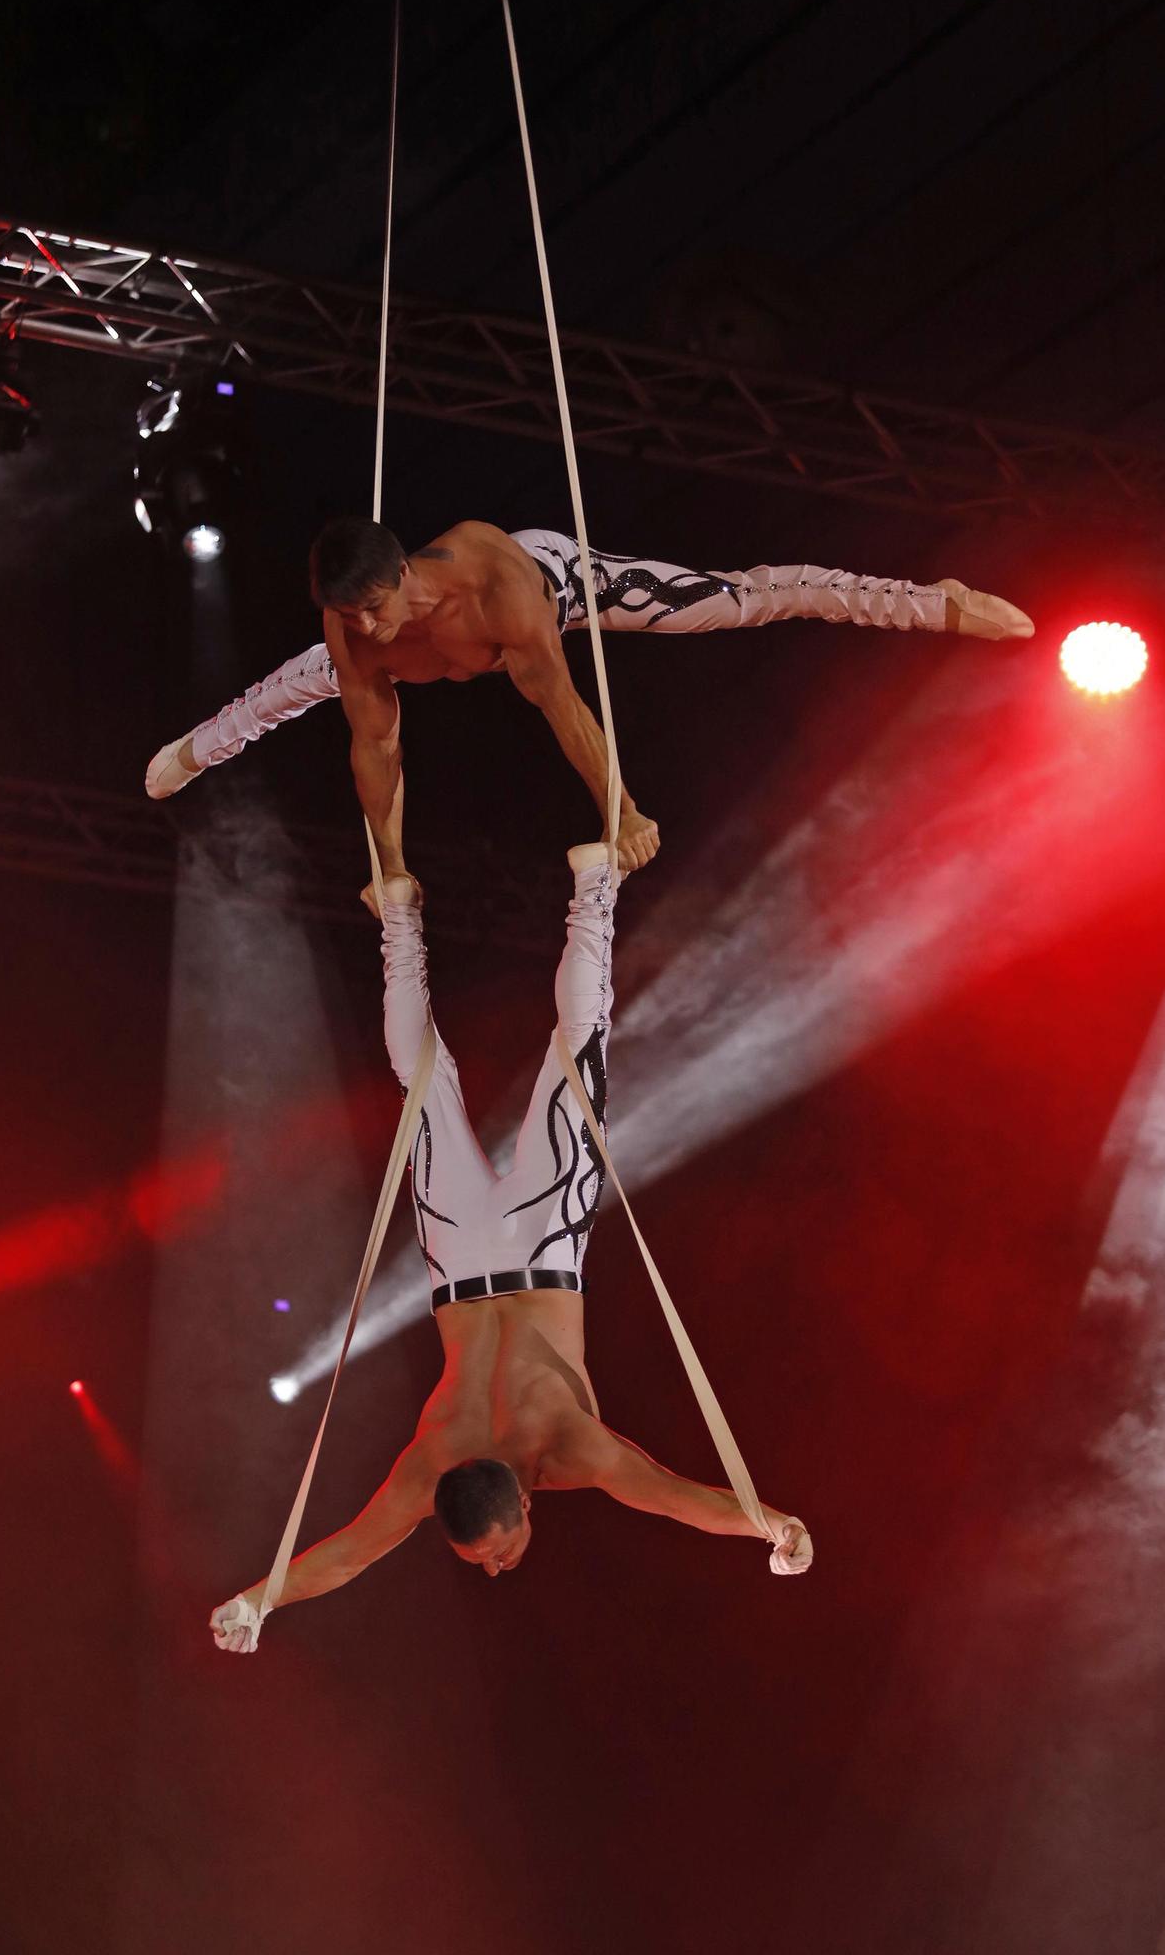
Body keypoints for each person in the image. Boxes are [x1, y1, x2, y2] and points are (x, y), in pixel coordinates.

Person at [210, 842, 811, 1654]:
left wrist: (773, 1528)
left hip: (538, 1245)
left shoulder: (564, 1450)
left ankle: (588, 888)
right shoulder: (432, 1462)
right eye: (491, 1561)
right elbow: (351, 1551)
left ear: (524, 1503)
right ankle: (398, 916)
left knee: (574, 1046)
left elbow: (675, 1497)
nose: (495, 1570)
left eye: (488, 1555)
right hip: (461, 1262)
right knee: (423, 1078)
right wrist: (253, 1601)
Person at [149, 517, 1034, 886]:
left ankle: (929, 600)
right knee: (294, 685)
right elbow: (374, 748)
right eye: (350, 617)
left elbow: (565, 711)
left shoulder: (498, 591)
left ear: (402, 580)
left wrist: (623, 811)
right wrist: (389, 869)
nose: (366, 631)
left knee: (731, 602)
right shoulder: (356, 630)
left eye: (372, 610)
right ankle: (195, 749)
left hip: (561, 584)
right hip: (458, 653)